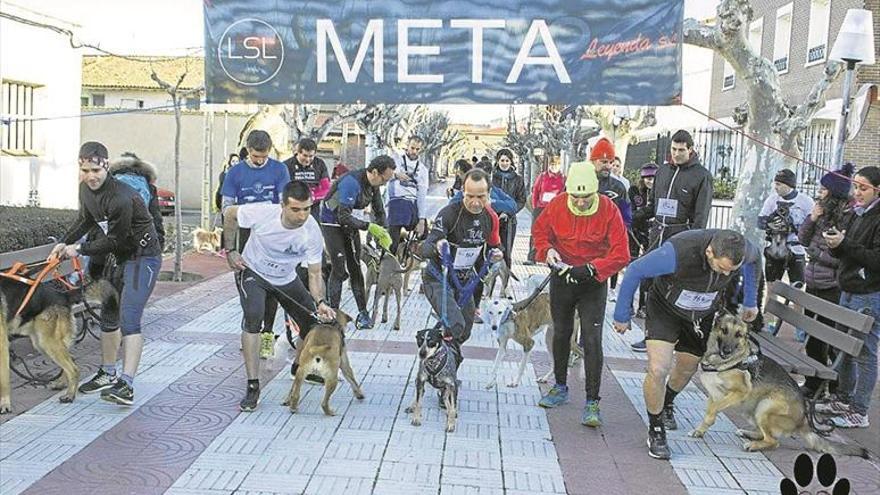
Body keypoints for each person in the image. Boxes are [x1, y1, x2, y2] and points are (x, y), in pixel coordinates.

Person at [612, 229, 760, 459]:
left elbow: (756, 259)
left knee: (687, 368)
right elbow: (634, 270)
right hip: (665, 309)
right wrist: (622, 313)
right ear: (709, 252)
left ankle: (667, 401)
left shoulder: (743, 248)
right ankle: (656, 428)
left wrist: (751, 300)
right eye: (721, 268)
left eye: (730, 271)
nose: (724, 274)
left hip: (701, 314)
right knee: (658, 369)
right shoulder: (678, 251)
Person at [51, 141, 163, 406]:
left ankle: (127, 384)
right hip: (118, 259)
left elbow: (116, 240)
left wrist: (77, 249)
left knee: (130, 318)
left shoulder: (122, 196)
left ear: (106, 166)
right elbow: (86, 220)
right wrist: (62, 243)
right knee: (109, 316)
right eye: (86, 170)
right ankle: (108, 372)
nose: (91, 177)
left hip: (141, 258)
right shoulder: (85, 190)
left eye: (96, 171)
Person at [222, 181, 334, 411]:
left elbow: (314, 274)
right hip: (254, 272)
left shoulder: (312, 231)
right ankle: (253, 385)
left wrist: (320, 301)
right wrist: (231, 250)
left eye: (307, 209)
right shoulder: (263, 213)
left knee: (313, 324)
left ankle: (297, 365)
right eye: (295, 209)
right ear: (282, 206)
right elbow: (230, 214)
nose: (302, 215)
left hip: (286, 279)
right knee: (254, 319)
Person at [532, 163, 629, 426]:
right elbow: (540, 232)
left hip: (593, 281)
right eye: (576, 196)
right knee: (561, 331)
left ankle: (592, 401)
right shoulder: (558, 205)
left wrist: (593, 269)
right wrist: (547, 251)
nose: (581, 202)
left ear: (595, 192)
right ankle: (560, 386)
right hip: (563, 278)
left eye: (586, 197)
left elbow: (622, 253)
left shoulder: (609, 210)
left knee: (592, 336)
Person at [631, 130, 713, 352]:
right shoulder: (663, 171)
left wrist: (695, 247)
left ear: (690, 150)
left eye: (681, 150)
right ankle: (651, 336)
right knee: (650, 286)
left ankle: (680, 337)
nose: (676, 154)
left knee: (674, 288)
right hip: (656, 235)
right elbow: (654, 205)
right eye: (673, 149)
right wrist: (633, 215)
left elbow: (700, 218)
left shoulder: (701, 176)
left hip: (680, 240)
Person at [221, 130, 292, 359]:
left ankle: (267, 335)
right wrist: (229, 248)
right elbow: (227, 209)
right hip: (244, 234)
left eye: (264, 157)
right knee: (248, 286)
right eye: (255, 157)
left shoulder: (280, 169)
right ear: (247, 151)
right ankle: (250, 326)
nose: (260, 161)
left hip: (270, 235)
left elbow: (285, 203)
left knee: (272, 287)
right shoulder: (235, 172)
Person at [420, 168, 502, 357]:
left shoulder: (490, 217)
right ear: (462, 192)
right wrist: (438, 246)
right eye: (469, 196)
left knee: (465, 329)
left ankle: (444, 359)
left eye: (481, 197)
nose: (475, 202)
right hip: (438, 277)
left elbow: (495, 246)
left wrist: (496, 254)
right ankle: (439, 361)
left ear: (489, 194)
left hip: (465, 279)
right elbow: (426, 247)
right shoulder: (449, 213)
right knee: (455, 324)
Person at [822, 165, 880, 429]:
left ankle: (860, 410)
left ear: (877, 190)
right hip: (847, 288)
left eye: (863, 187)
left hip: (868, 294)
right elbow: (848, 251)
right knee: (842, 345)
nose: (856, 192)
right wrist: (835, 244)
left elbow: (875, 259)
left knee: (864, 352)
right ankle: (844, 398)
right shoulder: (857, 213)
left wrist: (844, 244)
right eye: (855, 186)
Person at [798, 163, 853, 397]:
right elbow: (803, 239)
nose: (819, 193)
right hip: (813, 282)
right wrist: (811, 218)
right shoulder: (821, 214)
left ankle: (832, 385)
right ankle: (813, 383)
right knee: (812, 338)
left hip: (831, 285)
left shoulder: (847, 218)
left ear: (833, 193)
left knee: (827, 338)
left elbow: (840, 257)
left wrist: (817, 254)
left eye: (823, 190)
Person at [321, 155, 395, 330]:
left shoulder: (373, 184)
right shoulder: (351, 183)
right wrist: (369, 227)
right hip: (332, 222)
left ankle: (363, 312)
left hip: (350, 222)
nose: (385, 184)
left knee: (355, 266)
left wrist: (383, 232)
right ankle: (333, 313)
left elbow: (379, 211)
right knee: (339, 269)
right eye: (385, 179)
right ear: (375, 172)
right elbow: (343, 216)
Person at [758, 169, 814, 291]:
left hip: (796, 249)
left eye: (779, 184)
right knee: (771, 288)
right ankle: (770, 310)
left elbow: (813, 225)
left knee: (797, 290)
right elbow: (760, 222)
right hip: (775, 248)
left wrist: (794, 226)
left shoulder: (806, 201)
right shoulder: (772, 200)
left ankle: (795, 310)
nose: (775, 187)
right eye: (775, 183)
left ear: (788, 185)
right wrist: (772, 222)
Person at [591, 138, 631, 301]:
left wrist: (620, 236)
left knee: (598, 287)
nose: (607, 165)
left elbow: (626, 216)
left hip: (606, 245)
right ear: (593, 161)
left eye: (610, 162)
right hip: (581, 244)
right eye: (603, 161)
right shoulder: (579, 183)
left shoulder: (618, 187)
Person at [387, 136, 430, 254]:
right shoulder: (395, 161)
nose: (414, 151)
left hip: (412, 204)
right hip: (396, 202)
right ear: (407, 146)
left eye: (417, 149)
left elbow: (422, 196)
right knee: (391, 243)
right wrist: (396, 175)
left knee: (425, 233)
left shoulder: (423, 170)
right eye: (412, 148)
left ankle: (409, 254)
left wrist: (421, 220)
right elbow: (383, 176)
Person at [629, 163, 658, 318]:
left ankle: (643, 305)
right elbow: (635, 212)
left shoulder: (660, 192)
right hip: (635, 232)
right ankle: (628, 304)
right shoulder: (635, 192)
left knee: (647, 272)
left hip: (651, 235)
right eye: (647, 177)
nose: (650, 181)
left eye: (653, 177)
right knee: (632, 269)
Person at [492, 149, 527, 269]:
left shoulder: (518, 180)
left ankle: (505, 281)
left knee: (506, 252)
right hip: (492, 219)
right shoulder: (491, 178)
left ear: (511, 162)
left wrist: (508, 212)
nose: (504, 163)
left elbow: (521, 200)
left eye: (507, 160)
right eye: (502, 160)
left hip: (509, 221)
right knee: (490, 251)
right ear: (497, 161)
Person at [526, 158, 566, 265]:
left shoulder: (563, 178)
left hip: (555, 210)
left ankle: (552, 258)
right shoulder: (543, 177)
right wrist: (535, 206)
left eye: (556, 164)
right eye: (552, 164)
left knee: (554, 234)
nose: (554, 167)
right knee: (536, 232)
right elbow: (536, 191)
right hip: (541, 208)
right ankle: (532, 257)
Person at [283, 138, 330, 221]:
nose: (308, 159)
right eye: (304, 155)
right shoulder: (286, 166)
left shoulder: (320, 164)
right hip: (293, 208)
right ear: (298, 152)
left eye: (311, 156)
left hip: (312, 209)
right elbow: (282, 189)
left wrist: (313, 197)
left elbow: (326, 188)